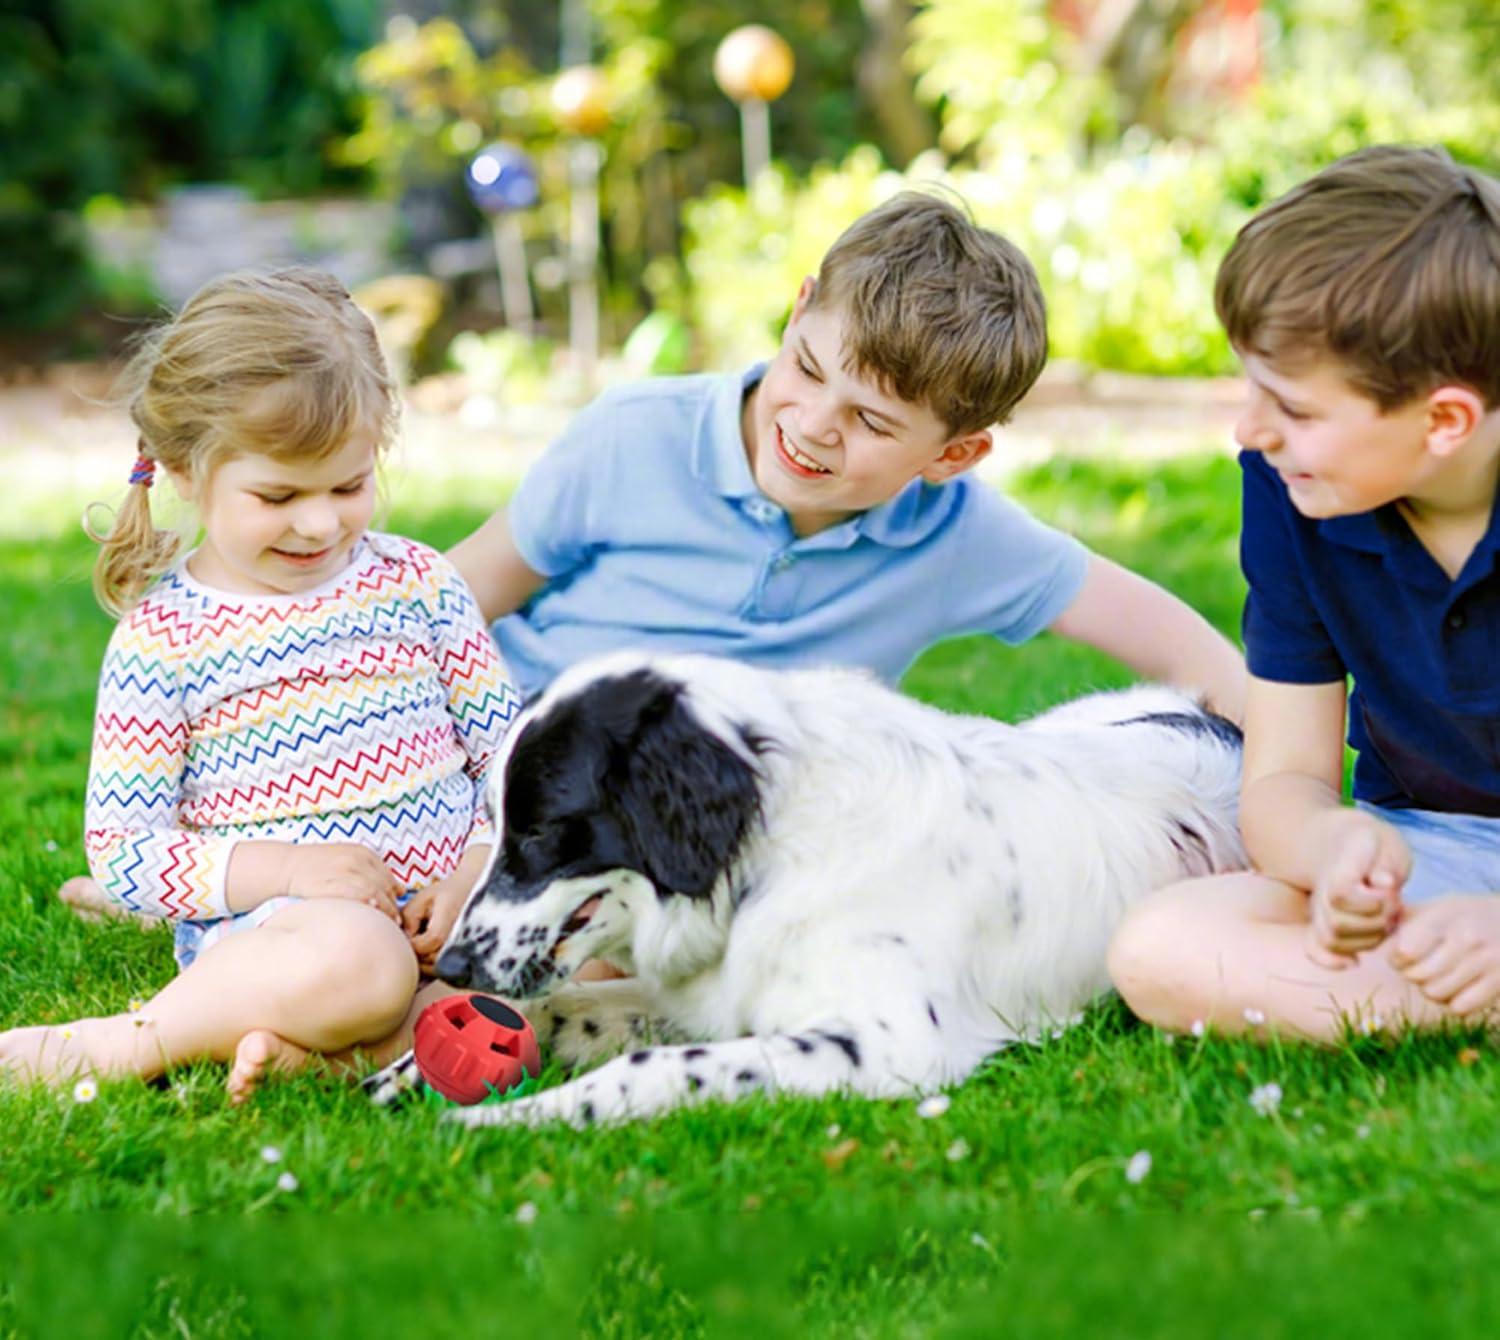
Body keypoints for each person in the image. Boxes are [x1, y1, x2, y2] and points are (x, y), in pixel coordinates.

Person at [1, 268, 521, 1102]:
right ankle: (129, 1042)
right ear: (183, 472)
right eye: (277, 495)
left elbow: (509, 754)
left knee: (586, 959)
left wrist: (475, 869)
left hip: (454, 912)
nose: (320, 523)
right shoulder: (167, 637)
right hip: (291, 937)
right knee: (364, 963)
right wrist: (286, 871)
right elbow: (129, 852)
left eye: (349, 486)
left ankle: (323, 1058)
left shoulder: (420, 583)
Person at [450, 192, 1246, 715]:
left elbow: (1185, 649)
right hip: (519, 755)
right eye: (806, 367)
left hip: (700, 830)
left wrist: (1293, 774)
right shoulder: (636, 435)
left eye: (870, 420)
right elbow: (451, 599)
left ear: (954, 455)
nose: (813, 423)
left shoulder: (959, 537)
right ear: (799, 309)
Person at [1109, 145, 1500, 1040]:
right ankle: (1457, 997)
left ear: (1445, 419)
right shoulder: (1292, 491)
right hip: (1432, 849)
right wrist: (1333, 848)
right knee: (1160, 945)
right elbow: (1286, 777)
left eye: (1295, 408)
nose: (1252, 430)